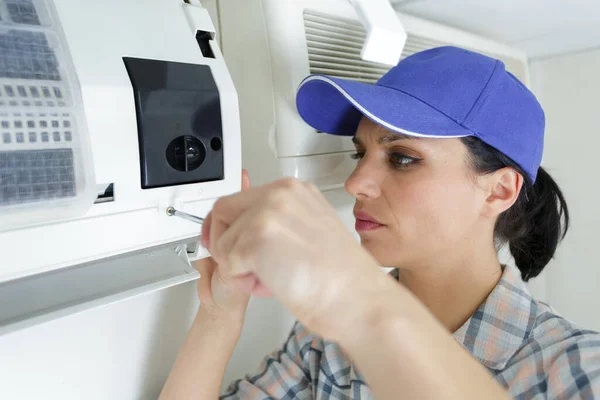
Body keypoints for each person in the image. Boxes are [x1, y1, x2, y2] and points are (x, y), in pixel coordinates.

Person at [159, 46, 600, 399]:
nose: (354, 183)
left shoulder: (576, 369)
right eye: (360, 153)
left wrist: (356, 298)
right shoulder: (324, 344)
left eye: (402, 158)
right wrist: (220, 314)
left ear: (499, 190)